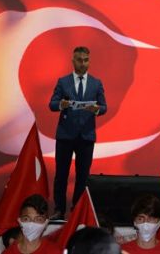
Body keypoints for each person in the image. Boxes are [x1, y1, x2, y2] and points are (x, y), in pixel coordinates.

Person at [49, 46, 107, 220]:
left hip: (86, 136)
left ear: (89, 61)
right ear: (73, 61)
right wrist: (61, 105)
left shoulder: (96, 83)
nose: (83, 63)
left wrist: (97, 109)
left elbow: (104, 107)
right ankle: (59, 209)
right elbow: (52, 104)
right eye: (79, 60)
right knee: (61, 174)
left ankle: (77, 210)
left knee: (83, 176)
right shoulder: (63, 81)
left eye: (86, 60)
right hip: (65, 135)